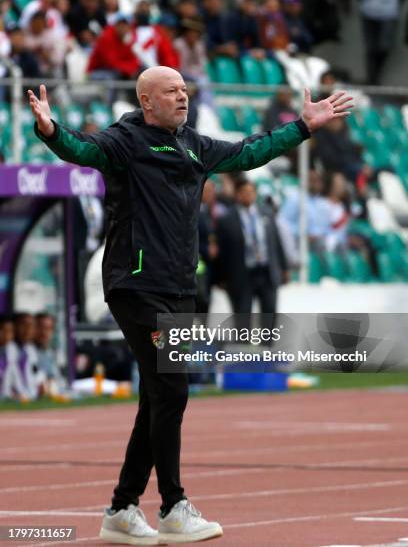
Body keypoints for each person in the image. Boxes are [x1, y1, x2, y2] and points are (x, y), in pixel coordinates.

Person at [28, 66, 352, 544]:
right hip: (136, 285)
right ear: (146, 101)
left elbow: (248, 153)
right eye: (171, 91)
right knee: (173, 390)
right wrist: (50, 130)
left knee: (158, 395)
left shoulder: (193, 145)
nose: (182, 96)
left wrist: (301, 127)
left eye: (184, 89)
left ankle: (121, 509)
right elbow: (84, 150)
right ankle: (173, 505)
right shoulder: (127, 141)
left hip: (178, 288)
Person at [217, 179, 289, 329]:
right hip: (243, 274)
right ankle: (242, 350)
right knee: (242, 317)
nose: (248, 196)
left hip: (266, 272)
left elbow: (275, 242)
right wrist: (222, 277)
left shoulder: (267, 214)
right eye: (245, 192)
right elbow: (223, 252)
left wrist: (284, 267)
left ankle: (267, 349)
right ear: (238, 195)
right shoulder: (227, 219)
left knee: (269, 314)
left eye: (251, 192)